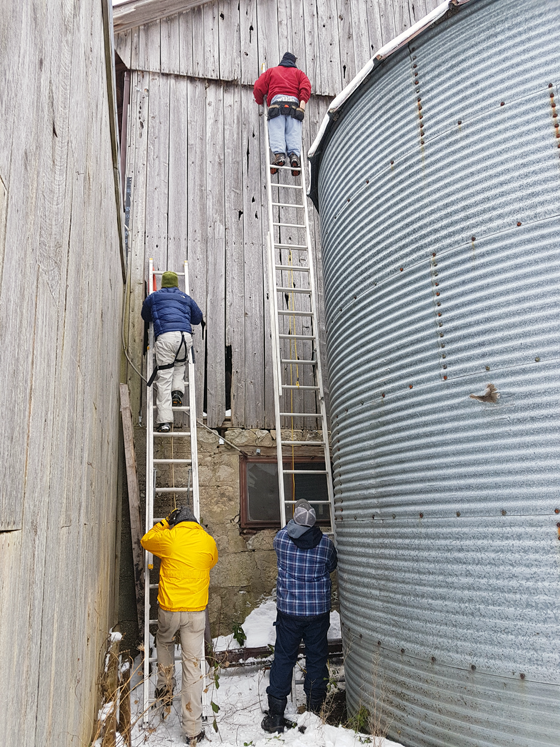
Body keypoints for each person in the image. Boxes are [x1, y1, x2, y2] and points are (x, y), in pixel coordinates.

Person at [141, 506, 218, 746]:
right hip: (196, 613)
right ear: (195, 523)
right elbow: (211, 562)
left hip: (170, 609)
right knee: (193, 666)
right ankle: (193, 730)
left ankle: (164, 690)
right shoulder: (208, 541)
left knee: (164, 641)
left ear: (177, 522)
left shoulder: (170, 537)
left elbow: (146, 540)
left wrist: (165, 522)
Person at [262, 499, 338, 733]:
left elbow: (285, 530)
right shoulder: (325, 544)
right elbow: (332, 565)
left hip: (290, 612)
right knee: (316, 658)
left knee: (284, 657)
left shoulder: (282, 540)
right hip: (317, 611)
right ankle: (315, 712)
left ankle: (276, 715)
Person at [141, 271, 203, 432]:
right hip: (185, 338)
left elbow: (145, 316)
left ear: (163, 284)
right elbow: (197, 318)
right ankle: (177, 392)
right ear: (176, 284)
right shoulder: (186, 298)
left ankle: (165, 421)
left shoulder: (154, 297)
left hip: (166, 338)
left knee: (164, 379)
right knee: (180, 367)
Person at [253, 52, 311, 175]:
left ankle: (279, 155)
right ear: (293, 62)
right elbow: (306, 87)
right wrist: (302, 104)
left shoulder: (271, 71)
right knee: (293, 132)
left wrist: (259, 100)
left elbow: (258, 87)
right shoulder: (299, 74)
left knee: (277, 131)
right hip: (294, 107)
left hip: (277, 105)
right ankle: (294, 156)